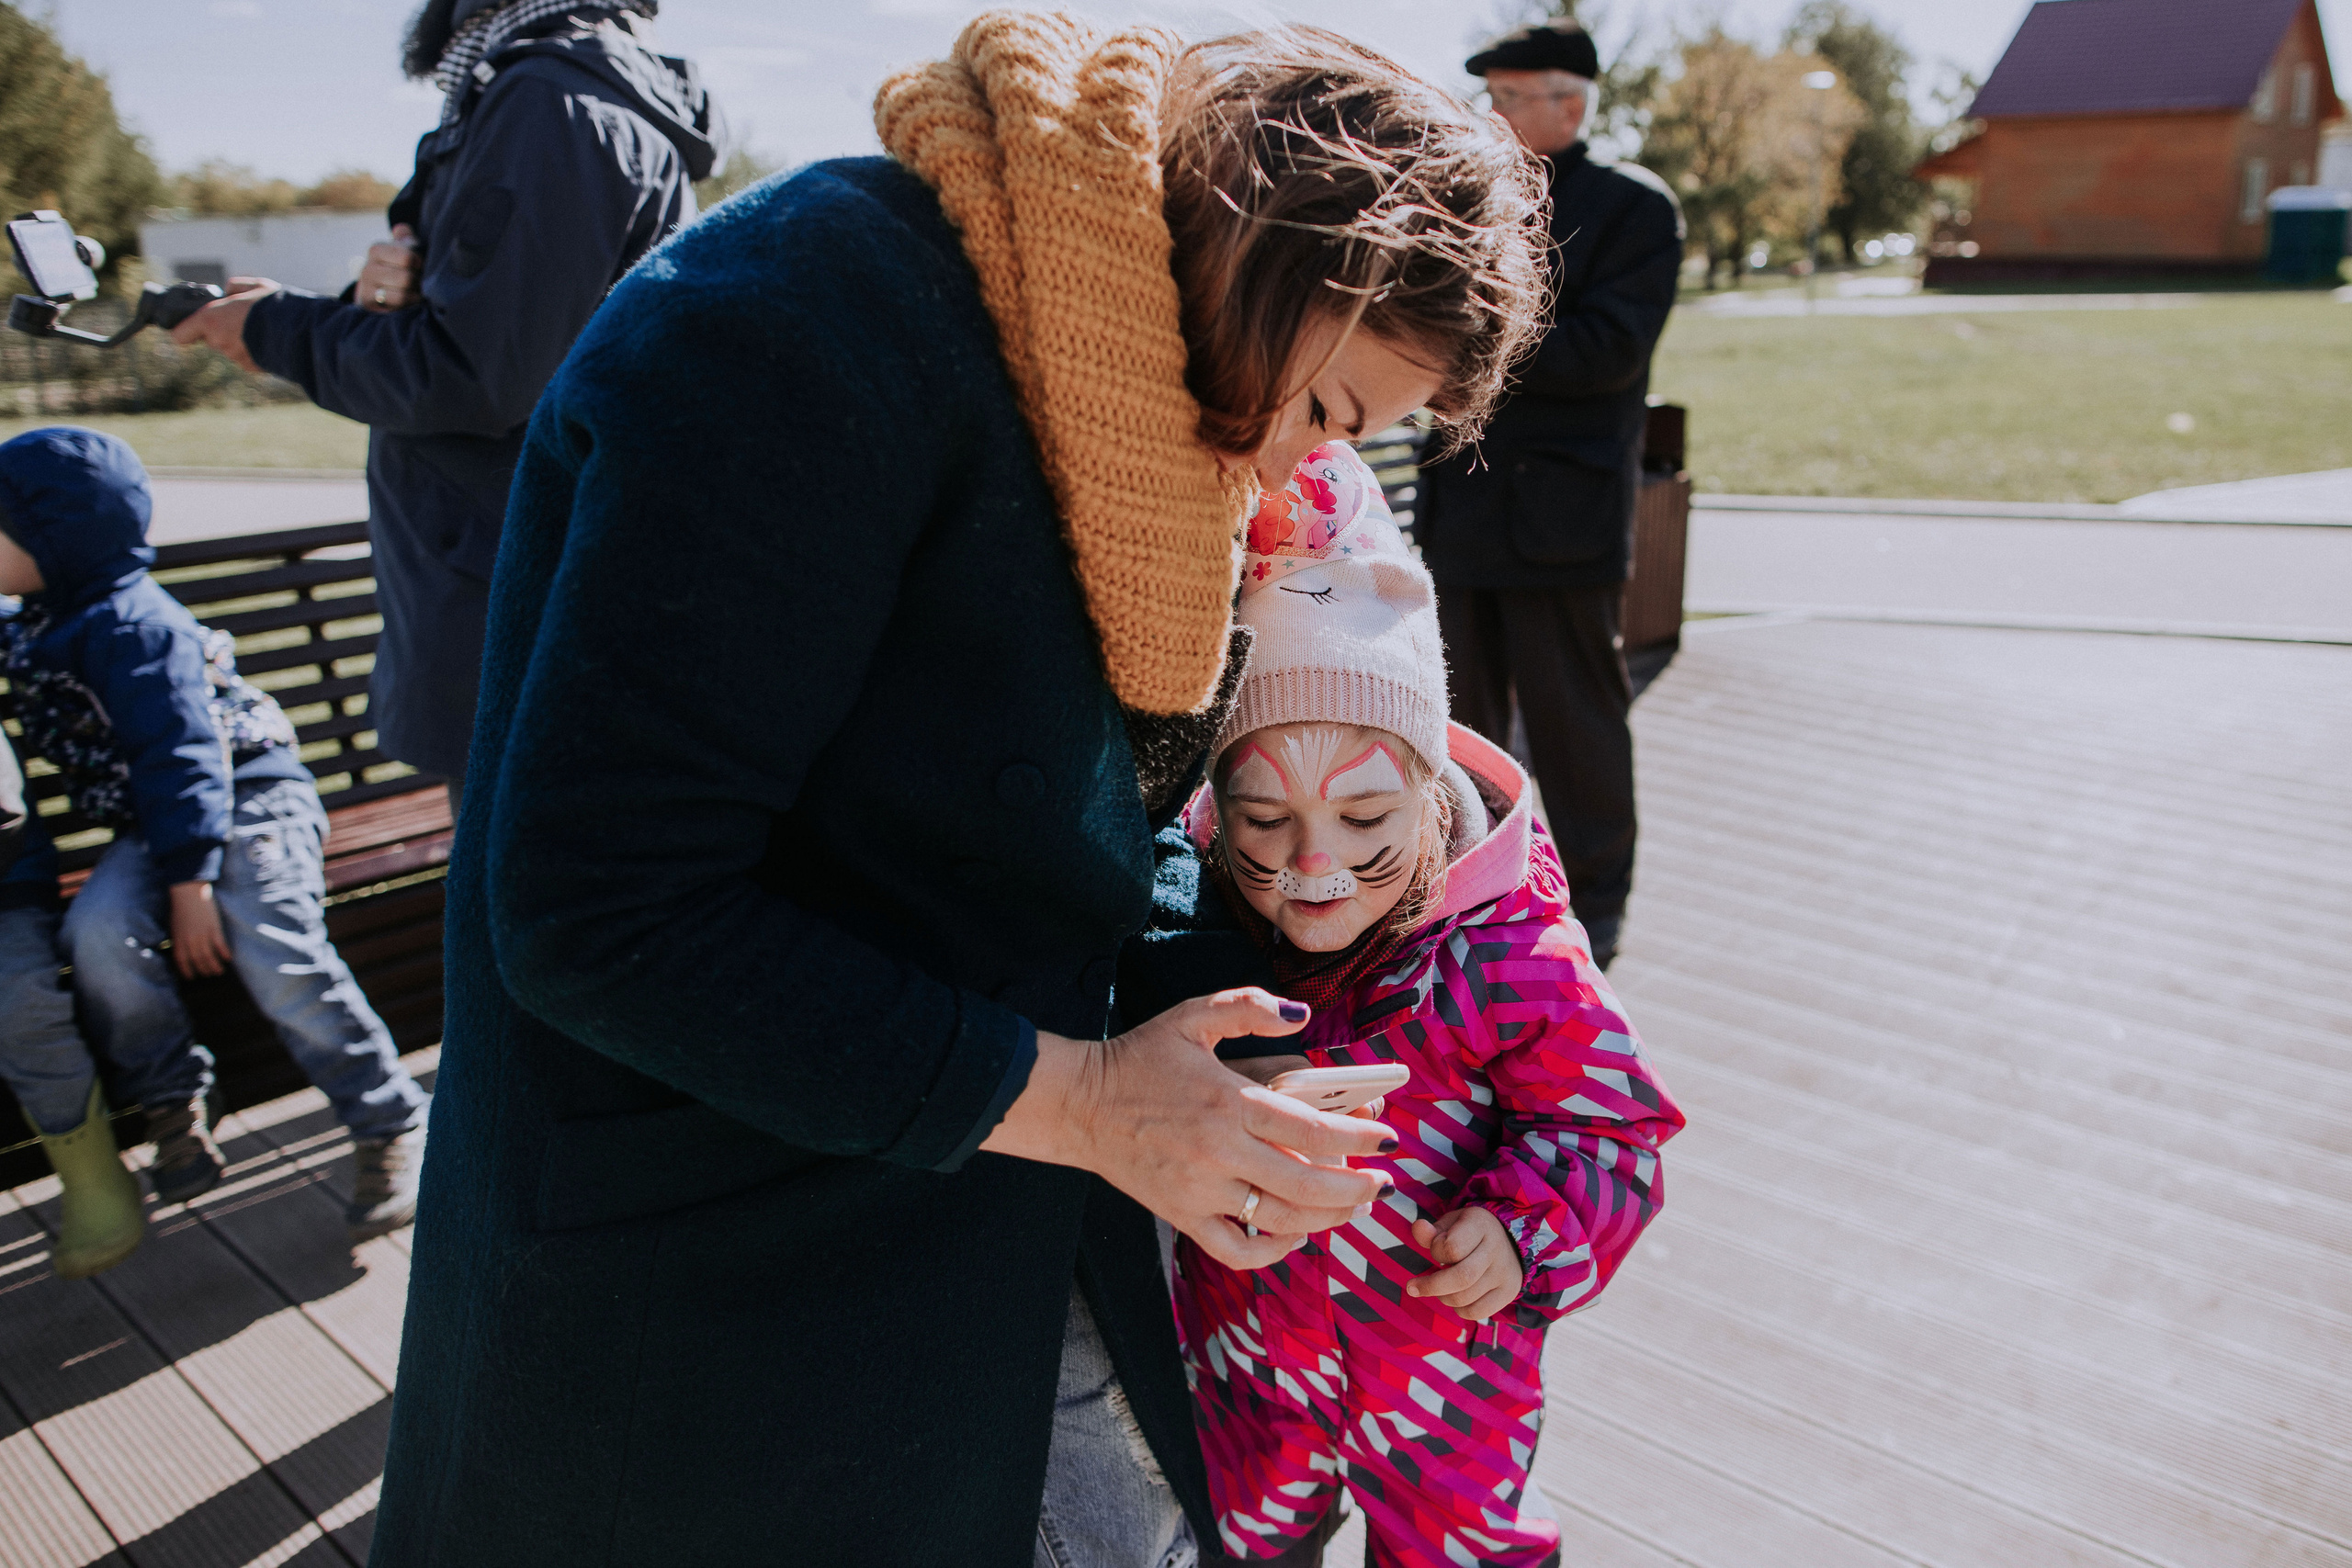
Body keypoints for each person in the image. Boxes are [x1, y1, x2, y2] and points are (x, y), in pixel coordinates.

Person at [367, 16, 1546, 1567]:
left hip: (976, 1229)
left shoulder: (1148, 414)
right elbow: (604, 912)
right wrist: (1097, 1101)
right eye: (1329, 413)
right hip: (710, 1273)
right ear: (1286, 259)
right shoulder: (801, 318)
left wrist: (1290, 1007)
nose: (1290, 474)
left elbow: (1077, 833)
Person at [1141, 445, 1682, 1567]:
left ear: (1431, 793)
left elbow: (1611, 1129)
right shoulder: (1200, 923)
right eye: (1263, 822)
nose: (1314, 866)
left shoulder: (1509, 955)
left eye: (1363, 819)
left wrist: (1523, 1232)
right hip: (1248, 1371)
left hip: (1443, 1380)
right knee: (1243, 1547)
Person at [170, 0, 715, 795]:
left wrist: (275, 329)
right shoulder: (560, 88)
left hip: (527, 619)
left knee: (526, 873)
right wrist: (361, 305)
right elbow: (500, 335)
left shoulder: (549, 102)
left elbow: (474, 376)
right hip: (541, 611)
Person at [0, 428, 431, 1249]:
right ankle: (175, 1098)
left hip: (249, 797)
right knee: (96, 933)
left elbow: (185, 759)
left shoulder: (136, 628)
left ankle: (391, 1117)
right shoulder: (41, 617)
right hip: (159, 827)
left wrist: (190, 884)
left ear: (52, 540)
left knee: (269, 937)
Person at [1416, 19, 1684, 972]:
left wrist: (1463, 337)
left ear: (1569, 105)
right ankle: (1475, 889)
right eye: (1488, 94)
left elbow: (1606, 352)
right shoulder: (1464, 198)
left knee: (1577, 728)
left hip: (1562, 523)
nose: (1488, 113)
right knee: (1461, 728)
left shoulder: (1633, 209)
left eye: (1508, 95)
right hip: (1462, 512)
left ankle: (1597, 906)